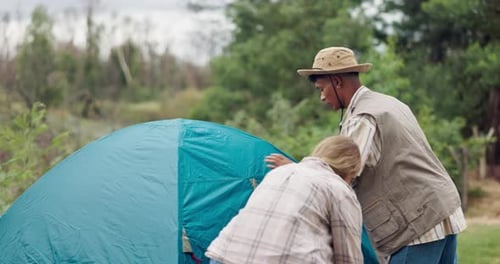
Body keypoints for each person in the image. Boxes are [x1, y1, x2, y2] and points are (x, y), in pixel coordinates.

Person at [265, 47, 467, 263]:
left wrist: (295, 170)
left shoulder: (363, 118)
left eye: (321, 89)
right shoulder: (388, 102)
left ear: (337, 81)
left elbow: (339, 175)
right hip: (441, 209)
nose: (322, 97)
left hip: (417, 224)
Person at [205, 135, 364, 264]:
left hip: (226, 254)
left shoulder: (281, 172)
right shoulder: (339, 189)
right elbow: (348, 257)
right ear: (350, 171)